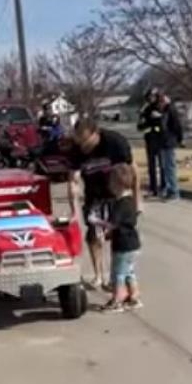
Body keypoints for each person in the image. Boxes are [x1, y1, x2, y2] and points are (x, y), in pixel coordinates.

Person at [67, 117, 142, 289]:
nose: (84, 146)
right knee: (94, 236)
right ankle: (99, 275)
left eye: (86, 141)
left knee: (119, 237)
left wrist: (137, 200)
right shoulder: (76, 149)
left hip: (117, 193)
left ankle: (120, 278)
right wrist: (74, 212)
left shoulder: (115, 142)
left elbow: (134, 172)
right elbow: (72, 181)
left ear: (96, 133)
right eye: (80, 141)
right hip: (94, 194)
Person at [89, 163, 143, 313]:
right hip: (132, 244)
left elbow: (112, 224)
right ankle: (134, 297)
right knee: (128, 271)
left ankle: (117, 299)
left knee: (117, 273)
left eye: (111, 182)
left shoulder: (121, 204)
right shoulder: (131, 201)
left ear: (117, 184)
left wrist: (95, 221)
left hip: (123, 245)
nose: (109, 185)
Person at [137, 88, 165, 197]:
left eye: (153, 96)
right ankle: (153, 188)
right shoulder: (146, 110)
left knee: (162, 164)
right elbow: (140, 126)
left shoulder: (161, 108)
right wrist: (142, 118)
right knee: (151, 165)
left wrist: (159, 117)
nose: (151, 98)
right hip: (149, 139)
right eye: (149, 96)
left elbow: (165, 122)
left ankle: (164, 186)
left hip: (160, 139)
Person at [158, 93, 184, 201]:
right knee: (166, 168)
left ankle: (174, 191)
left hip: (170, 142)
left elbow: (177, 126)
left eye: (163, 101)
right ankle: (169, 189)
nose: (161, 103)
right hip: (164, 142)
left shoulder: (171, 111)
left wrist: (179, 139)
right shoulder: (164, 112)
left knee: (170, 167)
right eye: (160, 101)